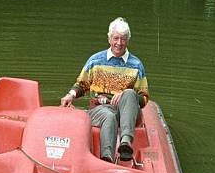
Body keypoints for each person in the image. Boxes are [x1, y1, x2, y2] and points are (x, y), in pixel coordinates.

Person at [60, 17, 149, 162]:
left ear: (128, 40)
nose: (119, 43)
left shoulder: (136, 65)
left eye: (123, 39)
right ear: (109, 39)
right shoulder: (95, 60)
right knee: (108, 115)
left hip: (126, 112)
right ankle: (107, 157)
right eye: (116, 38)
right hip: (101, 109)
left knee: (129, 93)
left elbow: (144, 98)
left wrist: (125, 95)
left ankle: (125, 143)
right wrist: (71, 95)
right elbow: (82, 84)